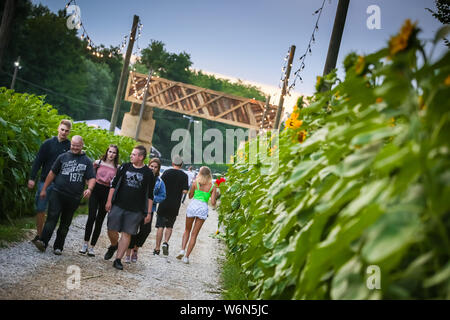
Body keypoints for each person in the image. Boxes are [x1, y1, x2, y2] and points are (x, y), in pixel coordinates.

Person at [32, 135, 96, 255]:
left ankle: (58, 247)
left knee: (65, 223)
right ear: (70, 144)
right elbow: (52, 173)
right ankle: (43, 242)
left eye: (77, 146)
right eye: (73, 145)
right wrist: (44, 189)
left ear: (82, 145)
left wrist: (90, 189)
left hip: (74, 197)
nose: (75, 148)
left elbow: (92, 177)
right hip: (57, 193)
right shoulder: (63, 157)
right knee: (52, 218)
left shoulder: (86, 161)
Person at [104, 145, 155, 270]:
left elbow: (150, 195)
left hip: (136, 209)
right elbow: (114, 184)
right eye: (131, 154)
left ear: (141, 157)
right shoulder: (125, 167)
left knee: (127, 233)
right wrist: (109, 201)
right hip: (118, 204)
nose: (131, 156)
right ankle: (113, 244)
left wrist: (148, 213)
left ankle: (118, 259)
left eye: (134, 154)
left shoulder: (148, 173)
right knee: (111, 228)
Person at [27, 119, 72, 243]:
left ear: (69, 132)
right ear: (58, 128)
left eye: (66, 131)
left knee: (53, 212)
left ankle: (44, 237)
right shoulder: (47, 144)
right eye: (62, 129)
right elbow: (38, 161)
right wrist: (32, 178)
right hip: (44, 181)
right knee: (40, 209)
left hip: (60, 184)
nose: (63, 132)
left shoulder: (70, 147)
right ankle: (39, 234)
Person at [79, 145, 119, 257]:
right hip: (96, 190)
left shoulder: (117, 168)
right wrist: (88, 186)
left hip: (107, 192)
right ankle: (85, 244)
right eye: (110, 151)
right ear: (107, 152)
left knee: (99, 220)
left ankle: (92, 247)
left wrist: (111, 200)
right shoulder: (98, 163)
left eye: (114, 152)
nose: (111, 154)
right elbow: (90, 174)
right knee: (91, 217)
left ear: (116, 155)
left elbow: (115, 184)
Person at [125, 157, 166, 263]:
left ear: (158, 169)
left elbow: (163, 196)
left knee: (145, 231)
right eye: (151, 166)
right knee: (132, 229)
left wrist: (151, 199)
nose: (153, 168)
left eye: (156, 167)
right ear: (148, 166)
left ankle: (136, 249)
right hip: (137, 207)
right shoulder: (141, 176)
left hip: (149, 209)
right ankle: (128, 253)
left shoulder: (160, 182)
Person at [176, 166, 217, 264]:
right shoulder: (212, 186)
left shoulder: (195, 183)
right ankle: (186, 257)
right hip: (203, 208)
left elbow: (190, 196)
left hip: (193, 205)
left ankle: (182, 249)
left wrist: (193, 190)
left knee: (187, 230)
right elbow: (213, 202)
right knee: (194, 234)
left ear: (200, 173)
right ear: (209, 175)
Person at [154, 154, 189, 256]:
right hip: (175, 204)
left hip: (164, 202)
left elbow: (160, 185)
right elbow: (185, 191)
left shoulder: (166, 172)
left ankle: (157, 248)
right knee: (169, 226)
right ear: (181, 164)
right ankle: (165, 242)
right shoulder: (184, 176)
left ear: (173, 163)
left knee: (160, 226)